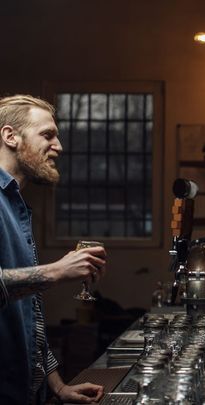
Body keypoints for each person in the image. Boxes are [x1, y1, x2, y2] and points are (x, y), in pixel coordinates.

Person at [0, 95, 107, 403]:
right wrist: (57, 271)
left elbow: (27, 311)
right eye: (47, 135)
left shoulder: (15, 203)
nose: (58, 146)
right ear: (10, 136)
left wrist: (58, 386)